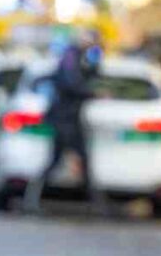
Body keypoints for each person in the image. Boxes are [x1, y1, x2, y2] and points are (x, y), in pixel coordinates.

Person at [23, 32, 103, 212]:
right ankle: (32, 200)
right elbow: (71, 84)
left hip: (70, 118)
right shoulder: (70, 57)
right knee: (58, 160)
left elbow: (89, 76)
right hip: (64, 118)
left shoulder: (80, 58)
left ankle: (94, 202)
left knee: (77, 159)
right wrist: (92, 93)